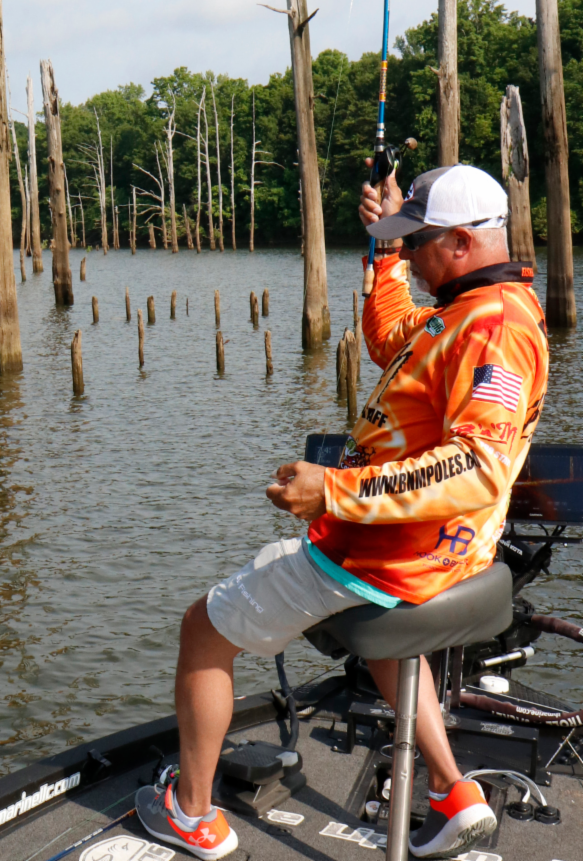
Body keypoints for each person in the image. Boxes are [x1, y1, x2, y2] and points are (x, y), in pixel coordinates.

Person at [136, 164, 549, 861]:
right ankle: (455, 792)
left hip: (386, 554)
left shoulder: (495, 329)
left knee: (203, 629)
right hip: (435, 551)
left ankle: (192, 813)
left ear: (457, 242)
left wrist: (334, 491)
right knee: (394, 647)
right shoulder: (469, 306)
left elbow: (478, 468)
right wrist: (383, 255)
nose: (410, 255)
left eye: (415, 242)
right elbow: (392, 339)